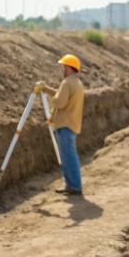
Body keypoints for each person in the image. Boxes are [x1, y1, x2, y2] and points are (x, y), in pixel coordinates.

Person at [38, 54, 84, 195]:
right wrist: (45, 89)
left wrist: (52, 101)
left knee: (68, 158)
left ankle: (74, 186)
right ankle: (70, 185)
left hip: (65, 125)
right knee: (68, 157)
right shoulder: (76, 82)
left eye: (64, 66)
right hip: (70, 125)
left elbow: (59, 102)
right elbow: (61, 95)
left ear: (70, 68)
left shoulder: (66, 82)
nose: (62, 69)